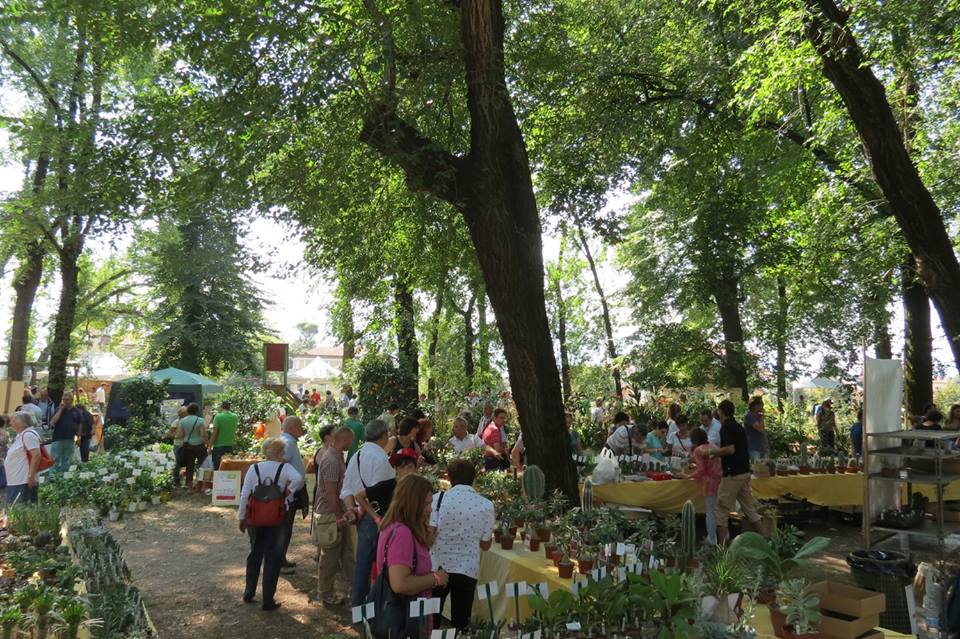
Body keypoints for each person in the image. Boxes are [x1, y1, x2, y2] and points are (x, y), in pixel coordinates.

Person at [375, 474, 448, 638]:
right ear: (412, 502)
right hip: (405, 619)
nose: (429, 509)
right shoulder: (402, 533)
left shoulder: (394, 526)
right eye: (426, 503)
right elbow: (400, 584)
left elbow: (411, 562)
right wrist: (436, 578)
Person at [238, 437, 305, 611]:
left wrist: (241, 516)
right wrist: (287, 493)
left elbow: (245, 493)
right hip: (277, 517)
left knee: (255, 553)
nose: (284, 455)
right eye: (282, 451)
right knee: (272, 557)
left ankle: (249, 591)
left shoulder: (254, 468)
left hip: (255, 517)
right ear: (277, 453)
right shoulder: (285, 468)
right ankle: (267, 599)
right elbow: (299, 479)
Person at [429, 459, 494, 631]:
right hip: (467, 568)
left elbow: (430, 534)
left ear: (449, 477)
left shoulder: (437, 499)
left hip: (438, 566)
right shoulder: (486, 505)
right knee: (461, 621)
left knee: (432, 618)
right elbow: (486, 545)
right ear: (474, 478)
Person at [341, 419, 395, 608]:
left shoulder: (357, 455)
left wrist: (353, 510)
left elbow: (346, 490)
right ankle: (376, 607)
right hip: (377, 517)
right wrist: (360, 511)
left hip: (364, 516)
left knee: (363, 564)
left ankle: (359, 607)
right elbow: (376, 494)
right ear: (384, 435)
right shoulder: (380, 458)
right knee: (382, 564)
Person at [710, 399, 761, 545]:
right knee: (750, 509)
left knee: (721, 509)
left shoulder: (726, 427)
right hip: (744, 471)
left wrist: (713, 452)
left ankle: (720, 549)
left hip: (733, 473)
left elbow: (730, 449)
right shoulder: (738, 426)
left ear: (721, 412)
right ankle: (768, 542)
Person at [314, 426, 355, 606]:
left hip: (336, 513)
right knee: (330, 556)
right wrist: (338, 516)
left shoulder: (337, 456)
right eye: (351, 440)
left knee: (346, 553)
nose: (352, 443)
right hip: (330, 514)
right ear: (344, 440)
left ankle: (354, 589)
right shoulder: (331, 459)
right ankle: (324, 592)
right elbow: (330, 492)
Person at [681, 428, 721, 544]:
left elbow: (701, 471)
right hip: (720, 480)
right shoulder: (713, 446)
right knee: (719, 510)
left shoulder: (698, 450)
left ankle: (711, 538)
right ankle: (722, 536)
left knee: (710, 511)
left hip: (709, 482)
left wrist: (687, 476)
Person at [279, 416, 309, 573]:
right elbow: (279, 464)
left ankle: (280, 558)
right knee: (285, 526)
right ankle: (279, 560)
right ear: (291, 428)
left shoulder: (287, 441)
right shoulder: (288, 443)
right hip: (288, 493)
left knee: (286, 526)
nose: (302, 429)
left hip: (289, 491)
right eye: (299, 426)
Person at [4, 411, 42, 504]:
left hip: (23, 480)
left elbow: (36, 455)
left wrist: (31, 476)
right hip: (17, 480)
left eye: (13, 420)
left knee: (19, 509)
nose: (10, 423)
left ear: (20, 423)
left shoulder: (28, 435)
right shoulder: (21, 435)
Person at [176, 403, 209, 488]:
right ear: (197, 411)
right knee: (203, 465)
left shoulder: (183, 421)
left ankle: (189, 485)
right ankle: (202, 485)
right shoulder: (200, 420)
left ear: (188, 411)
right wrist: (207, 443)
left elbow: (180, 435)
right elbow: (203, 434)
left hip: (188, 446)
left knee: (189, 466)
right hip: (199, 446)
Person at [50, 394, 82, 473]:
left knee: (67, 459)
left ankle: (63, 475)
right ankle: (52, 475)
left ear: (71, 400)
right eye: (63, 399)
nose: (65, 401)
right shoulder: (58, 409)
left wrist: (79, 437)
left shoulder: (76, 411)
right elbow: (53, 421)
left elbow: (80, 424)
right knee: (55, 458)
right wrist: (60, 410)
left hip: (70, 438)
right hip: (57, 438)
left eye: (67, 399)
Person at [209, 401, 239, 470]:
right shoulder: (235, 417)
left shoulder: (218, 417)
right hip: (229, 445)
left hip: (218, 447)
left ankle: (217, 481)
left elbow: (214, 433)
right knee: (228, 468)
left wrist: (210, 446)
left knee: (217, 468)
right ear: (230, 407)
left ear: (221, 407)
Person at [165, 406, 188, 487]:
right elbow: (168, 434)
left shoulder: (187, 421)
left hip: (186, 444)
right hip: (178, 445)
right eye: (186, 412)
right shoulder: (176, 422)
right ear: (182, 414)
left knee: (186, 463)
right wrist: (176, 436)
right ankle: (177, 480)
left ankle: (185, 481)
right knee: (177, 463)